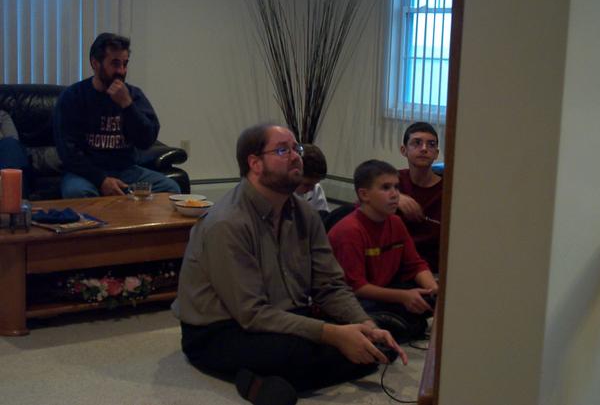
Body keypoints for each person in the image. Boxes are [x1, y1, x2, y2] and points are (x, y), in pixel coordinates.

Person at [172, 124, 406, 405]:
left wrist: (364, 324)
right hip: (220, 329)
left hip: (283, 314)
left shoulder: (306, 213)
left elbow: (330, 285)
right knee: (301, 354)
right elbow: (252, 314)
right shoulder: (227, 223)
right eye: (283, 150)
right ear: (255, 163)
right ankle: (257, 380)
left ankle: (271, 374)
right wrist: (334, 335)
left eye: (297, 148)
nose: (296, 156)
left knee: (374, 343)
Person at [53, 32, 180, 198]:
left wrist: (127, 105)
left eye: (125, 64)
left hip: (127, 171)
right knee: (78, 193)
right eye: (115, 63)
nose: (121, 70)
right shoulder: (73, 97)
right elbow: (68, 152)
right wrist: (101, 180)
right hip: (86, 174)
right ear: (95, 63)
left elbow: (147, 139)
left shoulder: (133, 95)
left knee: (171, 189)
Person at [328, 159, 438, 342]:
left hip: (381, 291)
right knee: (401, 322)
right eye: (386, 188)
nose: (395, 194)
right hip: (353, 299)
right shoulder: (349, 231)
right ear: (364, 194)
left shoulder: (396, 222)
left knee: (426, 301)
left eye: (396, 187)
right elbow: (357, 287)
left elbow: (415, 265)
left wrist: (433, 290)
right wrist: (403, 297)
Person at [398, 122, 443, 273]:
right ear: (404, 150)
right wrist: (396, 197)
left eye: (431, 145)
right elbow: (363, 206)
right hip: (396, 263)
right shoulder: (392, 181)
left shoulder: (447, 190)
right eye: (417, 143)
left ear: (436, 153)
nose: (424, 149)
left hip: (433, 268)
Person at [293, 143, 330, 217]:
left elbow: (322, 218)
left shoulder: (316, 188)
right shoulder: (277, 192)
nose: (312, 189)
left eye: (315, 184)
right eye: (307, 185)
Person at [0, 110, 31, 197]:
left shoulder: (2, 116)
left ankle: (15, 198)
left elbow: (14, 143)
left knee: (10, 144)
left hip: (5, 163)